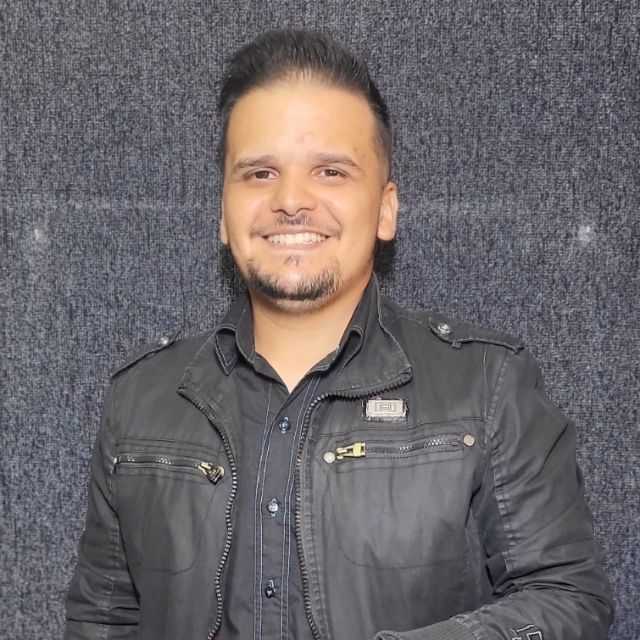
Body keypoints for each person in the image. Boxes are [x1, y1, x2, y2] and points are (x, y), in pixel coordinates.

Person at [65, 29, 613, 640]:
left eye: (329, 171)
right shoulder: (139, 401)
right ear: (223, 213)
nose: (290, 200)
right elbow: (101, 622)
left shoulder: (488, 386)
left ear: (385, 209)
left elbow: (568, 601)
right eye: (260, 173)